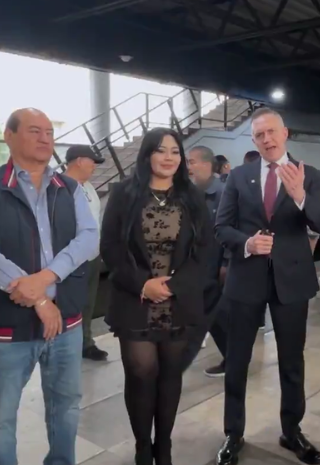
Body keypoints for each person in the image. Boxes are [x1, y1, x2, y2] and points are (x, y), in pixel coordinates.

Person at [0, 108, 99, 465]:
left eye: (50, 132)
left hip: (66, 323)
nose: (44, 138)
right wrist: (39, 299)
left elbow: (88, 238)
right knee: (0, 420)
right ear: (9, 135)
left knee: (66, 406)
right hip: (7, 326)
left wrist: (47, 277)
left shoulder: (68, 188)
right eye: (34, 130)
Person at [214, 108, 320, 465]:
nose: (266, 139)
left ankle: (291, 430)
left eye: (271, 132)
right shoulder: (239, 176)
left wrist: (299, 195)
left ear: (285, 133)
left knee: (292, 361)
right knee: (237, 360)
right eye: (259, 135)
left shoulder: (308, 174)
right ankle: (233, 434)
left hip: (291, 281)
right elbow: (222, 228)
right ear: (254, 141)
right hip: (245, 280)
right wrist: (247, 244)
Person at [101, 128, 212, 465]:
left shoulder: (192, 197)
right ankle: (142, 447)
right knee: (140, 375)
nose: (168, 157)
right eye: (161, 150)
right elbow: (111, 248)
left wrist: (174, 286)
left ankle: (163, 448)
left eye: (175, 152)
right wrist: (143, 284)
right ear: (147, 154)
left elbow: (206, 251)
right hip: (135, 302)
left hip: (178, 302)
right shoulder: (124, 194)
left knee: (170, 377)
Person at [185, 145, 231, 377]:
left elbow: (232, 230)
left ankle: (233, 360)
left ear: (206, 164)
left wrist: (226, 263)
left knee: (217, 317)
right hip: (197, 268)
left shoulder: (223, 193)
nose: (189, 167)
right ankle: (233, 358)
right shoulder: (192, 194)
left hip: (217, 268)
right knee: (210, 317)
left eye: (192, 162)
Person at [64, 144, 110, 361]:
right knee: (70, 303)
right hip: (71, 259)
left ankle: (85, 342)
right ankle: (67, 346)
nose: (94, 167)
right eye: (92, 162)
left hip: (91, 257)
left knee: (88, 303)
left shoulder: (89, 187)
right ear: (80, 161)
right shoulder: (60, 187)